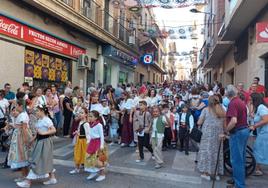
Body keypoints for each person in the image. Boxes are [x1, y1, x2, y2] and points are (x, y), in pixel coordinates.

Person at [16, 105, 57, 187]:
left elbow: (53, 130)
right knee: (45, 160)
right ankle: (52, 178)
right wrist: (31, 140)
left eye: (37, 111)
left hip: (45, 142)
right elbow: (38, 133)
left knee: (36, 160)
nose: (36, 112)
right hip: (40, 142)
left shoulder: (47, 120)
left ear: (42, 111)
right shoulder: (40, 120)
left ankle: (28, 182)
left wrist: (43, 133)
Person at [225, 85, 250, 188]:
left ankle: (240, 185)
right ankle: (237, 181)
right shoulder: (240, 101)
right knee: (241, 159)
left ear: (227, 93)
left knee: (236, 160)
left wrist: (226, 130)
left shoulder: (233, 103)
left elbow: (233, 121)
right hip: (244, 130)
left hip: (238, 132)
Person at [197, 95, 225, 180]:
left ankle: (207, 173)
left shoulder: (206, 110)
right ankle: (216, 174)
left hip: (207, 135)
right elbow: (224, 124)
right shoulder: (222, 111)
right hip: (218, 135)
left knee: (207, 153)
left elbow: (199, 122)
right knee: (217, 153)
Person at [8, 99, 32, 182]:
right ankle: (24, 175)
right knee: (22, 157)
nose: (15, 107)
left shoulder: (23, 115)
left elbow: (24, 129)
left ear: (21, 106)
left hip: (20, 137)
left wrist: (26, 140)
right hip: (18, 135)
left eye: (17, 105)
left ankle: (25, 176)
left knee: (22, 156)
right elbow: (19, 126)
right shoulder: (22, 114)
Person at [84, 110, 108, 182]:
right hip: (92, 142)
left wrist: (101, 146)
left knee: (99, 159)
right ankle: (93, 172)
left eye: (91, 116)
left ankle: (102, 174)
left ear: (96, 117)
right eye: (89, 116)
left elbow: (102, 136)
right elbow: (89, 134)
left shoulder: (99, 125)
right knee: (90, 158)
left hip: (98, 143)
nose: (89, 117)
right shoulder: (90, 124)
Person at [249, 93, 268, 176]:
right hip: (262, 131)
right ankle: (258, 167)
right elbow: (257, 117)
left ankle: (258, 168)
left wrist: (254, 126)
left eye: (251, 99)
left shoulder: (261, 107)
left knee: (258, 148)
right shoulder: (259, 107)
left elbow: (266, 119)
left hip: (265, 132)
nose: (250, 101)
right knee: (260, 149)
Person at [69, 107, 90, 174]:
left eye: (82, 113)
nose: (80, 114)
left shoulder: (86, 124)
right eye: (80, 113)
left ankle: (82, 167)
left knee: (83, 154)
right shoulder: (81, 122)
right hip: (79, 140)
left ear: (86, 114)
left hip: (83, 142)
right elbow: (80, 130)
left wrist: (88, 143)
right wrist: (76, 132)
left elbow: (88, 134)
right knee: (77, 154)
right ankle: (77, 168)